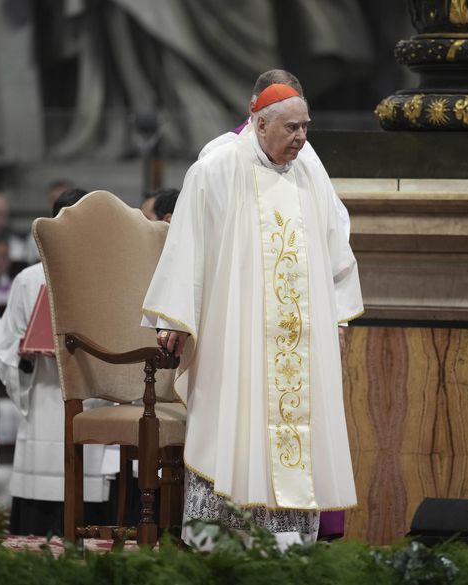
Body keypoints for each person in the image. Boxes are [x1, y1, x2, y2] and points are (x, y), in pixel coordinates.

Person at [142, 83, 363, 549]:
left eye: (306, 126)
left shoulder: (310, 169)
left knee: (294, 430)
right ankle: (219, 542)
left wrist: (339, 319)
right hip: (236, 335)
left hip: (298, 344)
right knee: (234, 429)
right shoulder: (217, 167)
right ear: (259, 123)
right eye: (292, 127)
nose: (302, 136)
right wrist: (177, 319)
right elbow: (189, 245)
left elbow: (335, 245)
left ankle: (288, 544)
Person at [0, 188, 115, 536]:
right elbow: (4, 347)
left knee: (87, 494)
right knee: (40, 504)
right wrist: (25, 359)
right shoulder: (28, 281)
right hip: (43, 397)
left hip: (91, 400)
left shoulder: (107, 279)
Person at [199, 69, 350, 239]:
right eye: (291, 125)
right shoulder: (216, 155)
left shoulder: (305, 152)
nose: (300, 135)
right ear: (254, 109)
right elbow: (207, 228)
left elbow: (334, 217)